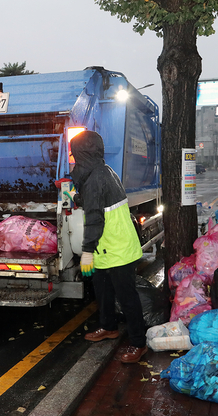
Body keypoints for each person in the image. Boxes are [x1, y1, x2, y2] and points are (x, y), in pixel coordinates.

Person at [67, 130, 148, 363]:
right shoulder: (104, 171)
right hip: (108, 247)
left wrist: (86, 252)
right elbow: (99, 201)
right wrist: (79, 199)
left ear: (83, 154)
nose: (73, 159)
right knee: (103, 291)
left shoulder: (95, 178)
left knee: (127, 297)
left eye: (74, 155)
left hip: (116, 248)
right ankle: (108, 327)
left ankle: (138, 343)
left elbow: (95, 219)